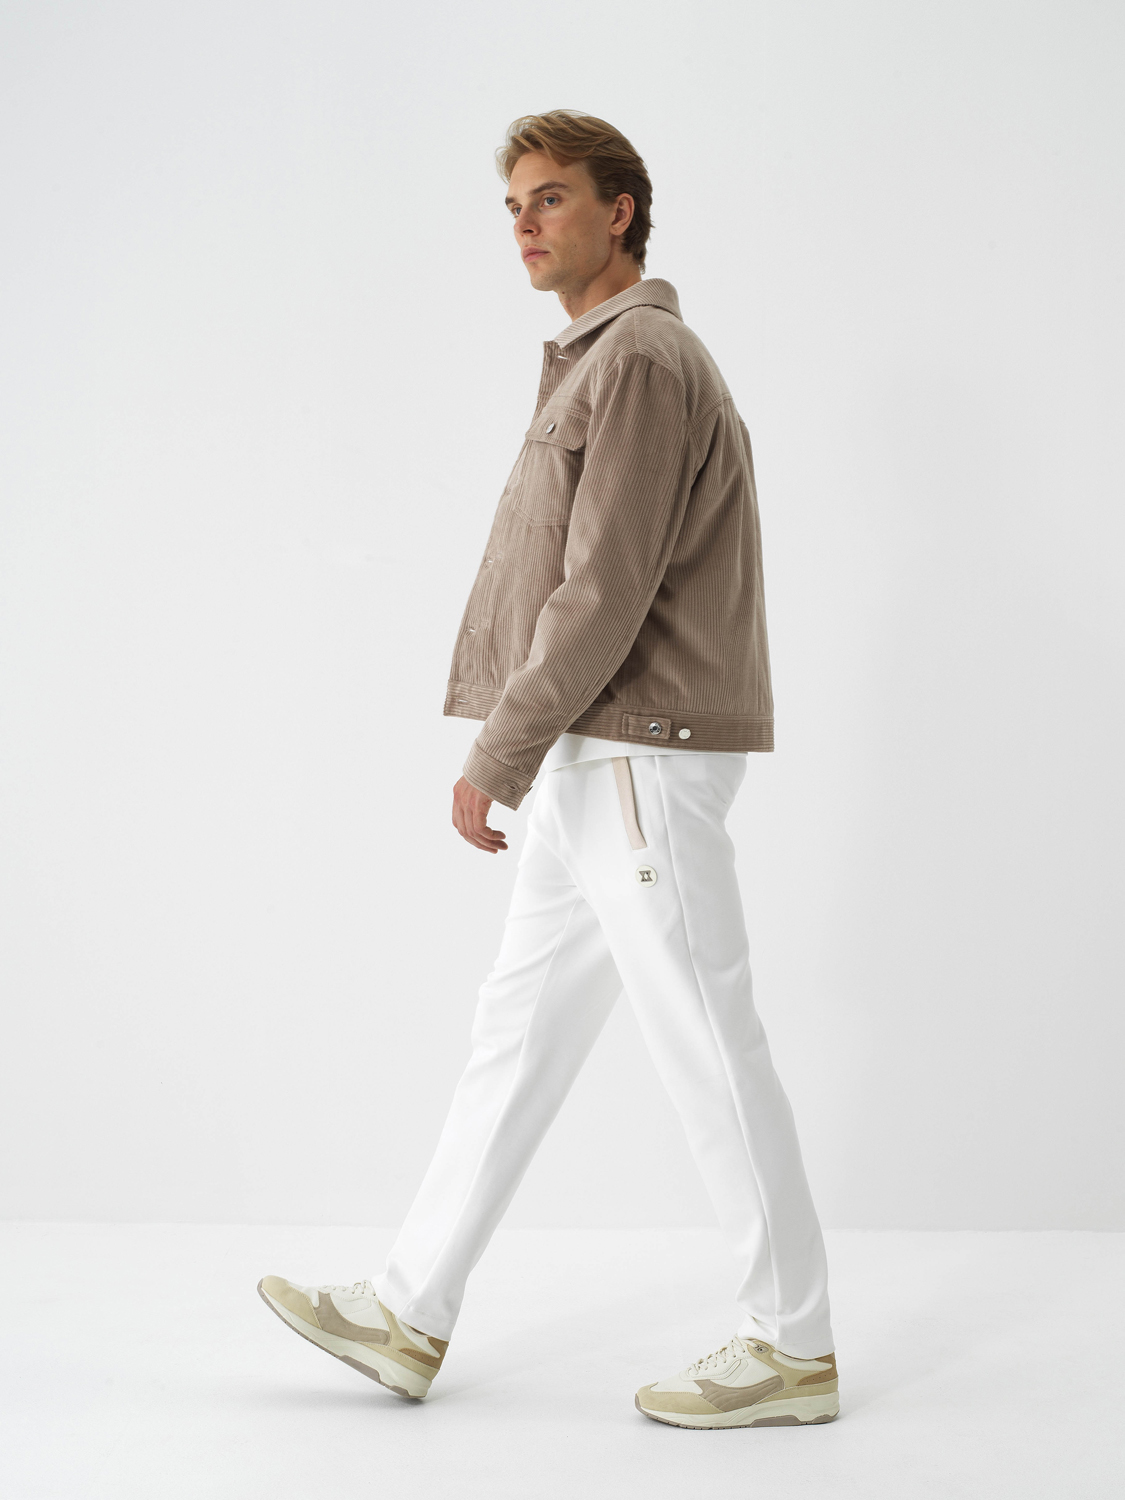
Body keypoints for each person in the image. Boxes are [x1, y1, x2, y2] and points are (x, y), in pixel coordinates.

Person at [258, 109, 838, 1430]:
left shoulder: (639, 360)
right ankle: (410, 1309)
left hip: (637, 752)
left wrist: (498, 751)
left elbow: (603, 588)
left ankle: (792, 1342)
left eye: (552, 198)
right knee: (515, 1036)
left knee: (705, 1036)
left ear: (620, 210)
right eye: (513, 205)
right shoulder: (598, 360)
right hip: (597, 749)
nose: (524, 223)